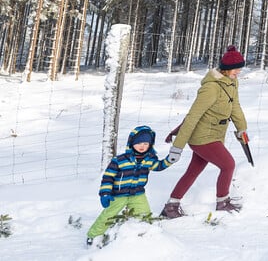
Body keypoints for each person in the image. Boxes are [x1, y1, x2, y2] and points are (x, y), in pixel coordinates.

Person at [161, 45, 249, 218]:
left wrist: (241, 128)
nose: (239, 72)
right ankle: (222, 202)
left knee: (194, 170)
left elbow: (235, 106)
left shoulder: (232, 82)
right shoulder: (211, 88)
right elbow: (193, 116)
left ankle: (171, 206)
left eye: (240, 69)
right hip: (202, 137)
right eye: (236, 69)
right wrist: (177, 148)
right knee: (228, 165)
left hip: (215, 135)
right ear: (226, 69)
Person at [87, 125, 172, 247]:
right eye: (139, 143)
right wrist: (105, 193)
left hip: (138, 194)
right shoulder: (119, 160)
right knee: (108, 215)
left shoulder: (149, 160)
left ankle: (146, 234)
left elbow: (159, 166)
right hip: (118, 195)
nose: (142, 146)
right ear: (131, 143)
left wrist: (170, 160)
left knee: (145, 214)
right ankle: (93, 236)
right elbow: (108, 177)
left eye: (146, 143)